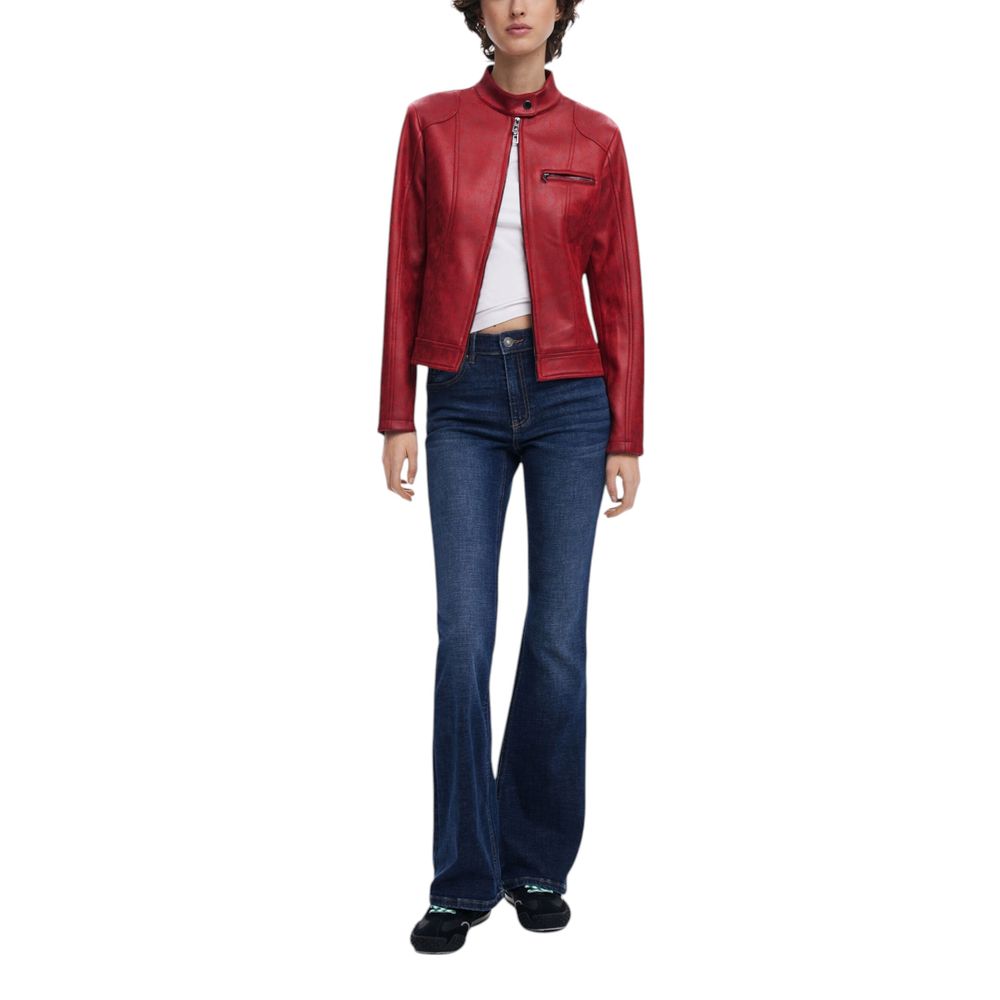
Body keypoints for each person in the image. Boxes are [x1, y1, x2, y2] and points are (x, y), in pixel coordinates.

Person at [377, 1, 644, 954]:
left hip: (573, 399)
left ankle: (535, 864)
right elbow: (405, 268)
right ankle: (462, 879)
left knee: (558, 638)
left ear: (562, 9)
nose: (518, 5)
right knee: (464, 637)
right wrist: (397, 412)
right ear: (479, 10)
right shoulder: (430, 124)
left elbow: (621, 290)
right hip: (462, 396)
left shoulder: (597, 138)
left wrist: (627, 432)